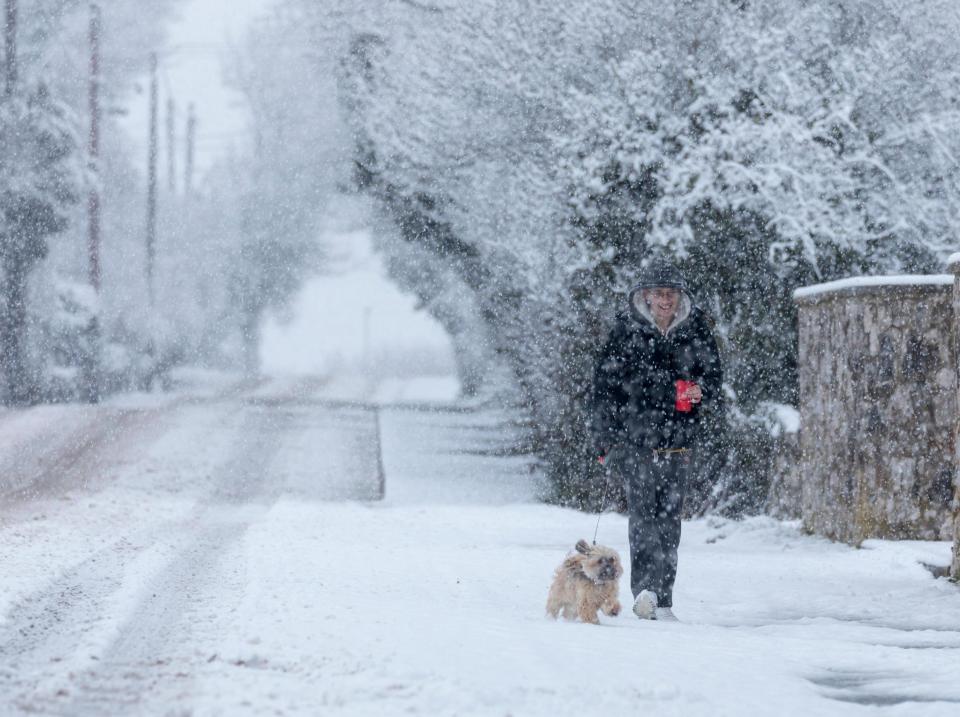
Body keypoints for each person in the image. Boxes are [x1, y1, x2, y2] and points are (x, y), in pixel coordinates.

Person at [590, 259, 723, 621]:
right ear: (645, 296)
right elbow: (604, 388)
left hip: (679, 441)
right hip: (636, 442)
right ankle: (644, 591)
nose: (666, 300)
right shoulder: (625, 331)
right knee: (644, 518)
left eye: (672, 294)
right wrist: (604, 440)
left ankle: (664, 599)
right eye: (659, 294)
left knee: (670, 522)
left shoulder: (695, 330)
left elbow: (713, 376)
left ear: (681, 297)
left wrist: (700, 390)